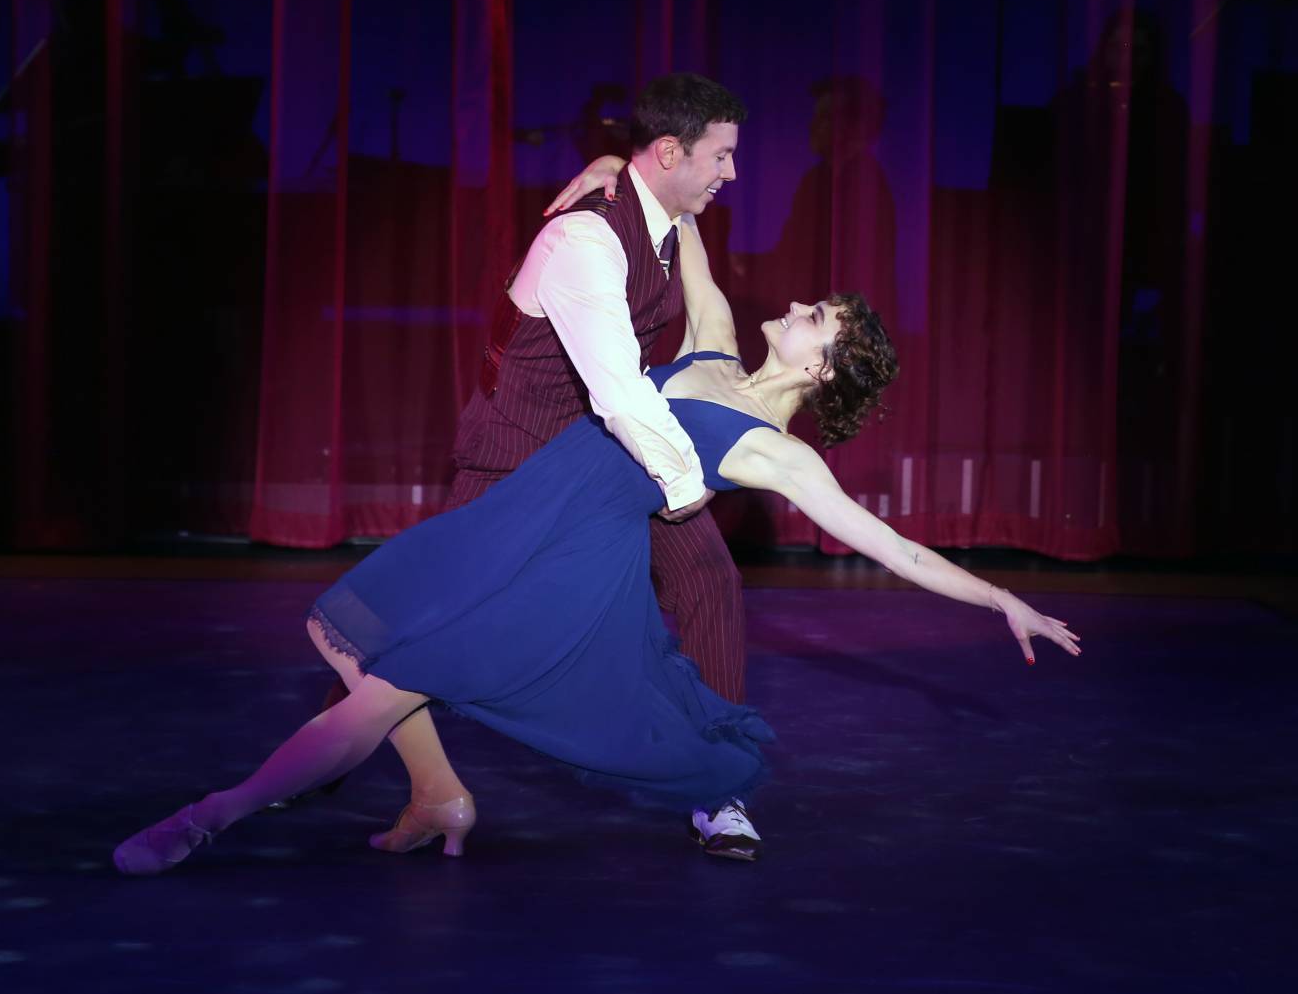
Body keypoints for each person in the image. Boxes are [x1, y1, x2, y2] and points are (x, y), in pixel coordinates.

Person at [113, 216, 1081, 876]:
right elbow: (685, 220)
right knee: (356, 636)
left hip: (574, 559)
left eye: (813, 317)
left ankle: (212, 815)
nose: (791, 306)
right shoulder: (708, 338)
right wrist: (634, 157)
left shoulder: (778, 456)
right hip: (531, 504)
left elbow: (894, 546)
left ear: (820, 366)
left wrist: (999, 598)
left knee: (384, 683)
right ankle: (443, 794)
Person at [306, 72, 766, 860]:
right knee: (420, 622)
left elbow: (624, 393)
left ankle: (715, 790)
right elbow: (620, 388)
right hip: (519, 454)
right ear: (669, 151)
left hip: (604, 459)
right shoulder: (581, 238)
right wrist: (689, 490)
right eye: (721, 156)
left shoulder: (660, 215)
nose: (732, 172)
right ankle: (327, 750)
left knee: (709, 581)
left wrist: (614, 166)